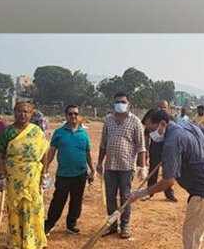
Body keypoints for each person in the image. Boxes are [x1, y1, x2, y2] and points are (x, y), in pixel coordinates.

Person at [129, 110, 204, 249]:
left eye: (151, 129)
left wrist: (141, 193)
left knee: (193, 231)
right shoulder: (186, 125)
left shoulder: (172, 142)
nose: (151, 134)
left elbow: (168, 180)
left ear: (163, 124)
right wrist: (194, 154)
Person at [0, 101, 49, 249]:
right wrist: (1, 176)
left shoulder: (37, 131)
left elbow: (44, 152)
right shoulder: (7, 132)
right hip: (13, 177)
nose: (22, 114)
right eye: (19, 111)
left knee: (34, 207)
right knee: (15, 208)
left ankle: (34, 241)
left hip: (33, 176)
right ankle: (16, 242)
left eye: (26, 112)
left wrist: (44, 174)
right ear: (14, 113)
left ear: (31, 113)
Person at [96, 92, 147, 239]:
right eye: (117, 101)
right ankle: (113, 225)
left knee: (125, 197)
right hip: (110, 166)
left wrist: (142, 167)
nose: (120, 104)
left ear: (128, 103)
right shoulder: (108, 120)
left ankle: (125, 226)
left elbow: (141, 146)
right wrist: (99, 162)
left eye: (123, 102)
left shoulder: (135, 121)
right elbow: (103, 143)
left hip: (126, 167)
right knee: (110, 197)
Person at [43, 105, 95, 235]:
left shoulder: (84, 133)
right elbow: (51, 152)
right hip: (63, 174)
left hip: (80, 174)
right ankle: (49, 224)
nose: (73, 116)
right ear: (66, 116)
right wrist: (45, 168)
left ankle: (71, 224)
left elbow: (87, 153)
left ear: (79, 116)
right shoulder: (59, 133)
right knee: (58, 200)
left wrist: (92, 170)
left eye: (76, 114)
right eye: (70, 114)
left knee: (76, 201)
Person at [142, 101, 177, 202]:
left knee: (168, 172)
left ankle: (169, 193)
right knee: (153, 170)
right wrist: (146, 150)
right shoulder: (152, 120)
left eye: (164, 107)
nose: (162, 109)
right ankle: (149, 193)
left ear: (168, 108)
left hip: (168, 149)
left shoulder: (171, 120)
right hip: (155, 149)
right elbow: (147, 135)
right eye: (160, 107)